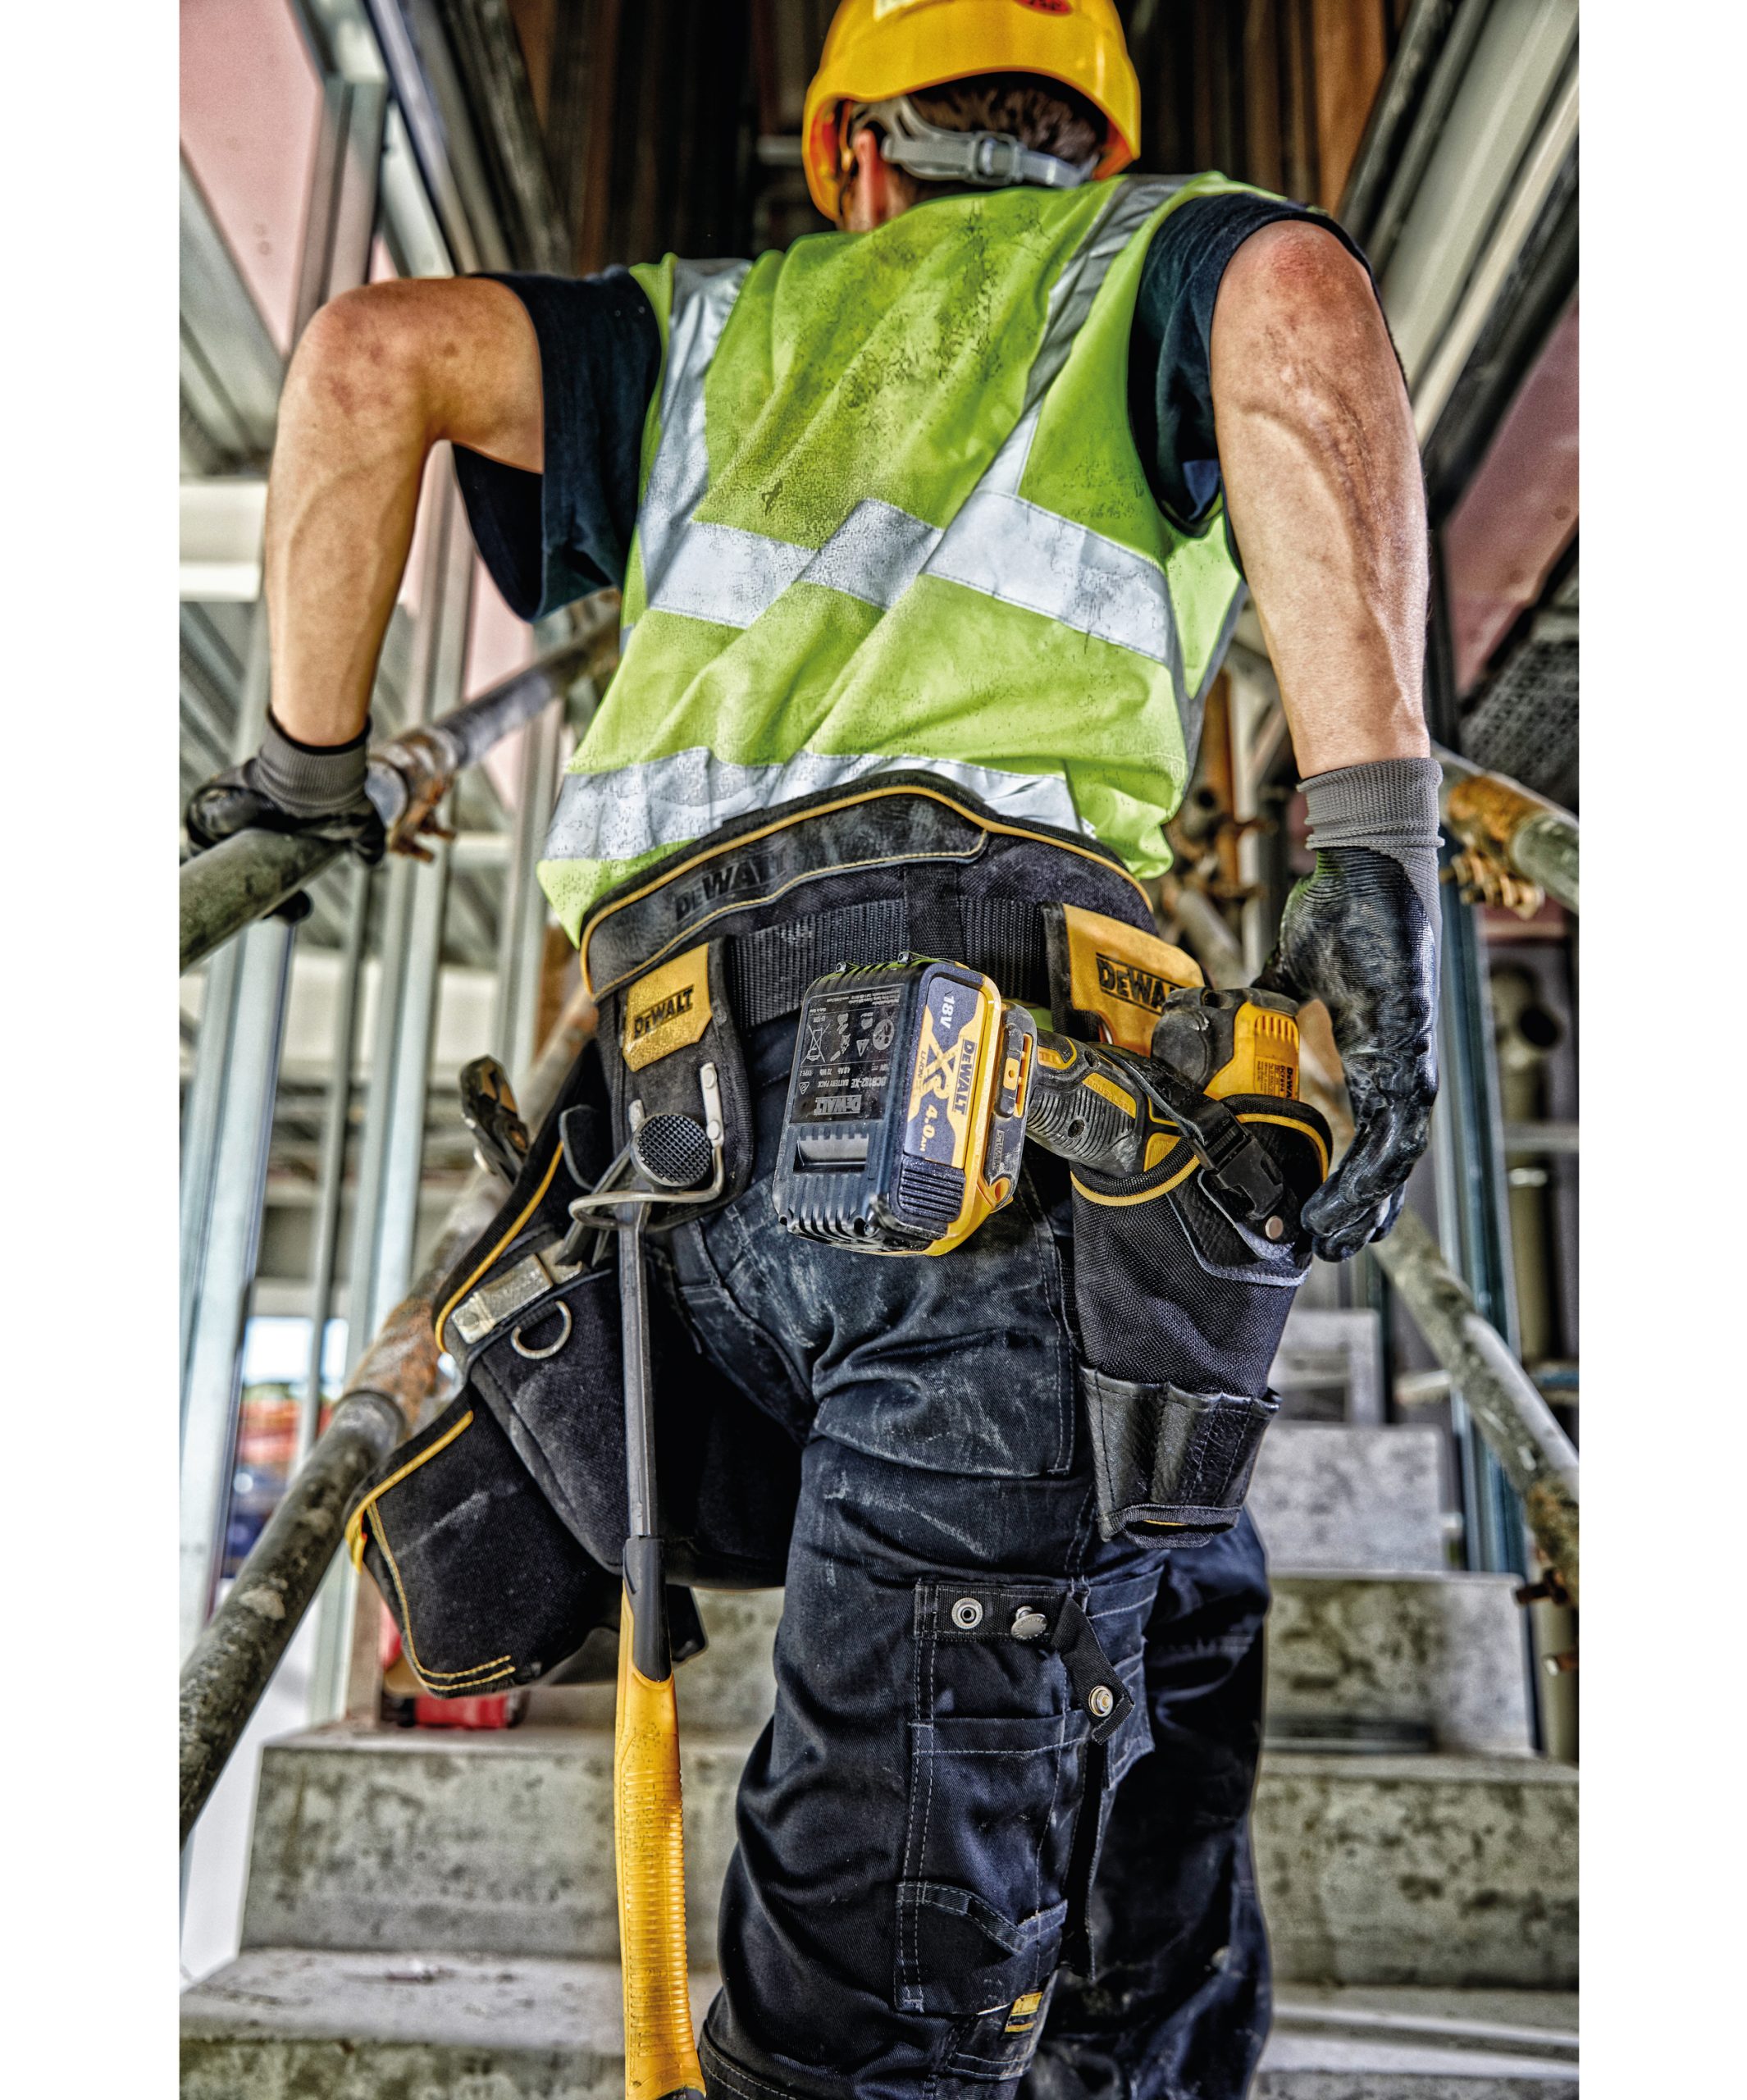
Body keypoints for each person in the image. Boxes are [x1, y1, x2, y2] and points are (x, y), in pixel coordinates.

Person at [191, 3, 1440, 2093]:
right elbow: (1301, 296)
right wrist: (1375, 849)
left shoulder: (700, 335)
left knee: (1174, 1588)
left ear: (852, 152)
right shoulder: (1147, 259)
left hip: (668, 1169)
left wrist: (312, 774)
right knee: (876, 1999)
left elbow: (362, 357)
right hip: (991, 1136)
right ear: (1098, 144)